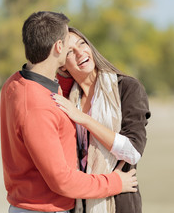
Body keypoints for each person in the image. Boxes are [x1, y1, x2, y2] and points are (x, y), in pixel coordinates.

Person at [0, 11, 138, 213]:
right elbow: (62, 181)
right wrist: (115, 182)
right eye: (68, 45)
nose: (74, 49)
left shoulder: (14, 83)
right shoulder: (38, 105)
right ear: (58, 47)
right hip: (44, 209)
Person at [52, 26, 151, 213]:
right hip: (79, 203)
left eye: (82, 43)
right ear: (62, 64)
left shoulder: (127, 88)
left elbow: (133, 151)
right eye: (70, 51)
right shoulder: (68, 100)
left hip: (120, 203)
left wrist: (84, 119)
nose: (80, 52)